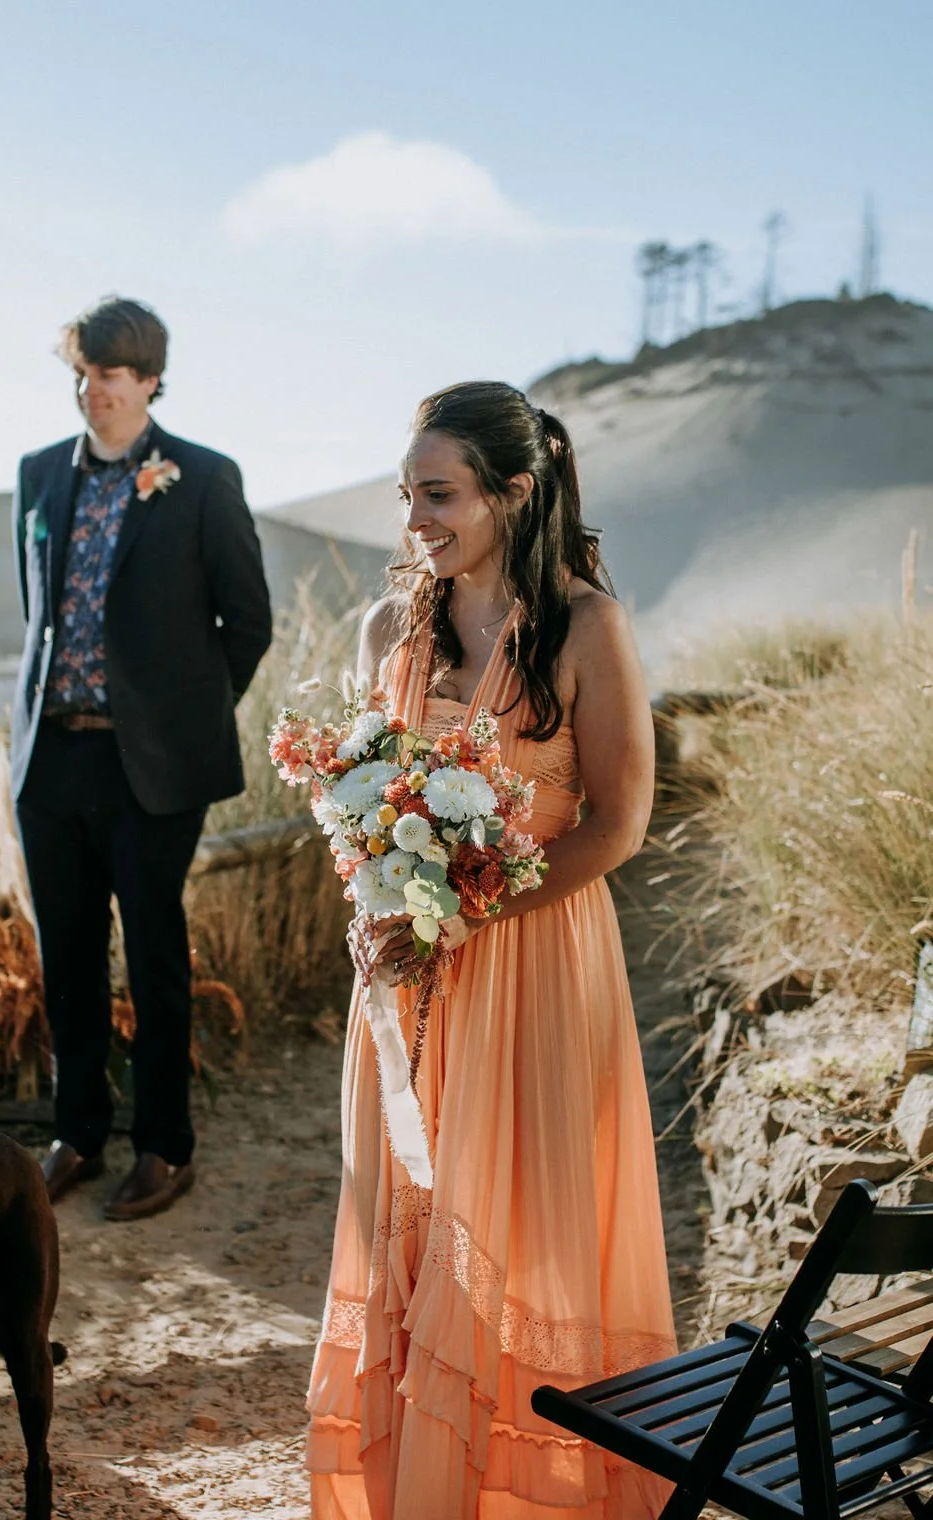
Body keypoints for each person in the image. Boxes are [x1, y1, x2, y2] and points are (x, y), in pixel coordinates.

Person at [306, 382, 676, 1518]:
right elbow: (372, 800)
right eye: (407, 493)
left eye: (440, 494)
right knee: (409, 1221)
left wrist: (466, 912)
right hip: (409, 979)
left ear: (514, 493)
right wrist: (381, 891)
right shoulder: (391, 631)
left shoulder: (587, 626)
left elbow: (616, 821)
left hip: (536, 968)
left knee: (526, 1232)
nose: (415, 518)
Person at [10, 296, 272, 1221]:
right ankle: (77, 1130)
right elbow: (36, 615)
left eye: (111, 374)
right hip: (51, 764)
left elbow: (248, 622)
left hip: (150, 772)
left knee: (155, 955)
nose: (94, 390)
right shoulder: (39, 475)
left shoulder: (201, 478)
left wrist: (180, 723)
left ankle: (166, 1145)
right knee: (67, 958)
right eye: (82, 373)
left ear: (151, 379)